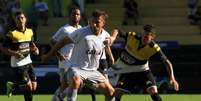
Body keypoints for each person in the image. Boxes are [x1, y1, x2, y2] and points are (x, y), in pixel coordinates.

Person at [42, 9, 122, 101]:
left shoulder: (105, 35)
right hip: (76, 67)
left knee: (111, 92)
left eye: (97, 22)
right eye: (92, 22)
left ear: (103, 23)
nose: (94, 25)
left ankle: (58, 96)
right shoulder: (81, 32)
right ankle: (62, 96)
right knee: (75, 81)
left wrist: (112, 38)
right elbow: (62, 42)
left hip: (92, 71)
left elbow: (115, 33)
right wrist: (49, 55)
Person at [109, 24, 179, 101]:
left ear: (153, 37)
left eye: (147, 37)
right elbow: (117, 30)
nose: (144, 38)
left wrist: (172, 78)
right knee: (117, 93)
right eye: (143, 35)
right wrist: (113, 37)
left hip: (143, 72)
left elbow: (167, 62)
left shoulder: (154, 48)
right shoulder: (132, 37)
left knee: (153, 90)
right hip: (127, 71)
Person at [2, 11, 39, 101]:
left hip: (28, 62)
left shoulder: (30, 32)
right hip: (18, 64)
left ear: (25, 19)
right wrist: (14, 53)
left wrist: (36, 50)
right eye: (18, 18)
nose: (20, 20)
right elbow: (3, 48)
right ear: (15, 21)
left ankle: (12, 85)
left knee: (34, 87)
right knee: (28, 87)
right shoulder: (12, 34)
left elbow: (32, 45)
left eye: (22, 18)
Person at [50, 6, 82, 101]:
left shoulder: (81, 29)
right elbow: (52, 41)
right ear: (70, 16)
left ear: (80, 16)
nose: (76, 16)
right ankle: (57, 98)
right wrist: (58, 54)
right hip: (65, 62)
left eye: (78, 14)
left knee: (75, 84)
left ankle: (56, 98)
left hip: (76, 62)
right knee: (67, 85)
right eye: (74, 14)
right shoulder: (64, 29)